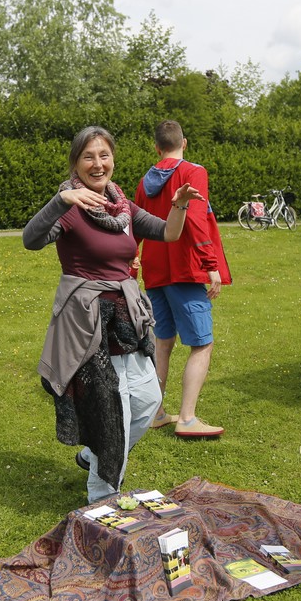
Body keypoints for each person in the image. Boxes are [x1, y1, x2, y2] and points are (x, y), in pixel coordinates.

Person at [23, 126, 204, 504]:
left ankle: (94, 457)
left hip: (125, 320)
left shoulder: (122, 206)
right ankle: (102, 499)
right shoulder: (71, 206)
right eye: (88, 156)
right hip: (86, 323)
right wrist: (61, 200)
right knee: (111, 412)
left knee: (148, 400)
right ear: (76, 163)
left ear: (113, 160)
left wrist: (179, 205)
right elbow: (31, 239)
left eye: (104, 155)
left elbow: (168, 233)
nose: (97, 163)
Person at [134, 119, 232, 438]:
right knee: (202, 344)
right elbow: (196, 220)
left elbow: (135, 225)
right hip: (185, 270)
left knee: (163, 343)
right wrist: (210, 264)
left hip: (155, 271)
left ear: (156, 147)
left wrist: (131, 265)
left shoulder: (144, 181)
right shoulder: (194, 172)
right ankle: (187, 419)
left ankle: (156, 412)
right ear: (184, 143)